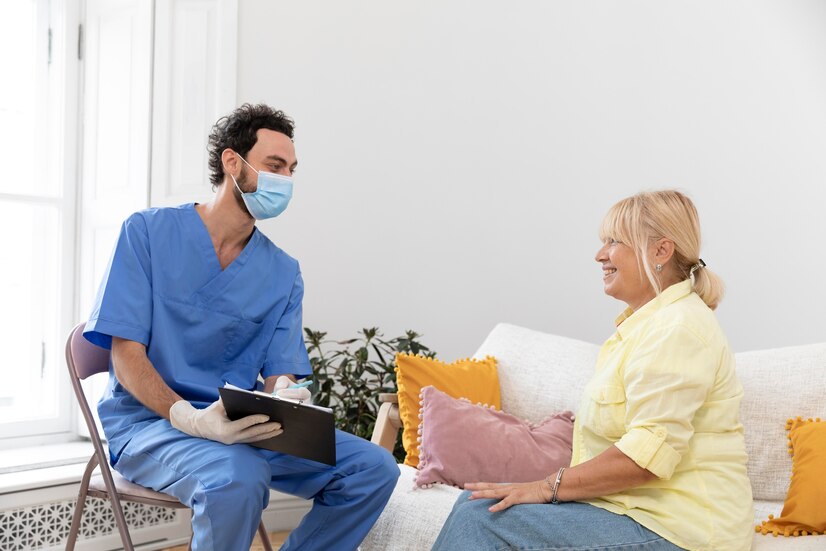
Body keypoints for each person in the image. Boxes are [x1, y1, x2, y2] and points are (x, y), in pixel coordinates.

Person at [84, 104, 399, 551]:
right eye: (274, 166)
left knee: (373, 469)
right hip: (152, 423)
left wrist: (286, 391)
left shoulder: (282, 272)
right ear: (233, 162)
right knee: (238, 476)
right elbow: (125, 353)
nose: (285, 179)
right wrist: (190, 418)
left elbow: (278, 371)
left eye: (291, 170)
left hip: (242, 423)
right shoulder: (148, 234)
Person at [432, 190, 753, 551]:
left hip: (682, 532)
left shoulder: (678, 328)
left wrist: (544, 487)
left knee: (481, 518)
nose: (600, 255)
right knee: (478, 508)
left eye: (614, 241)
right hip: (632, 514)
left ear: (661, 251)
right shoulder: (646, 327)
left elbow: (644, 459)